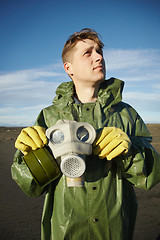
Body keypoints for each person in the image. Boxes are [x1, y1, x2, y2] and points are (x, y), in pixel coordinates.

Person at [11, 28, 160, 240]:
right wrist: (27, 159)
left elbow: (151, 176)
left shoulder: (126, 114)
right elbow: (30, 186)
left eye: (99, 51)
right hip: (66, 230)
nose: (99, 56)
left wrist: (130, 151)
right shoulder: (49, 116)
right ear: (68, 68)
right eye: (87, 53)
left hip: (114, 230)